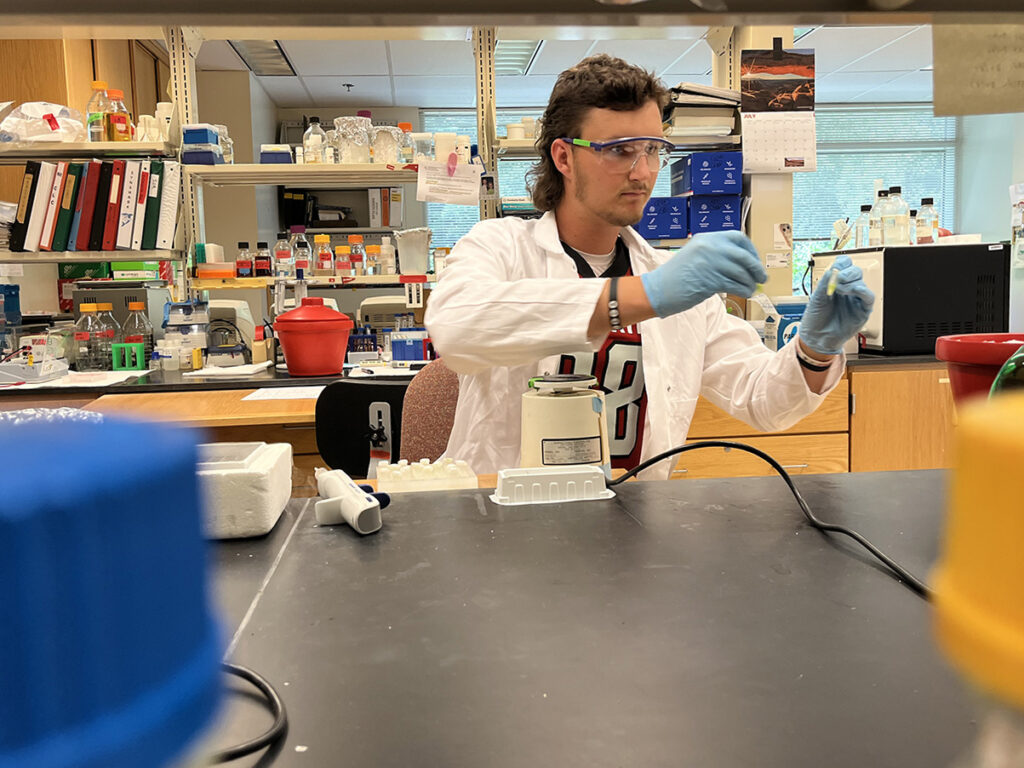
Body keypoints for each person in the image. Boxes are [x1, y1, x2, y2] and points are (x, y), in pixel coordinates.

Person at [424, 55, 873, 479]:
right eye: (619, 151)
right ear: (564, 158)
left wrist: (815, 351)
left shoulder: (671, 280)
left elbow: (760, 399)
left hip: (634, 524)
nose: (642, 173)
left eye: (653, 149)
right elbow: (457, 329)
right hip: (506, 528)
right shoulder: (500, 247)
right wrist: (642, 297)